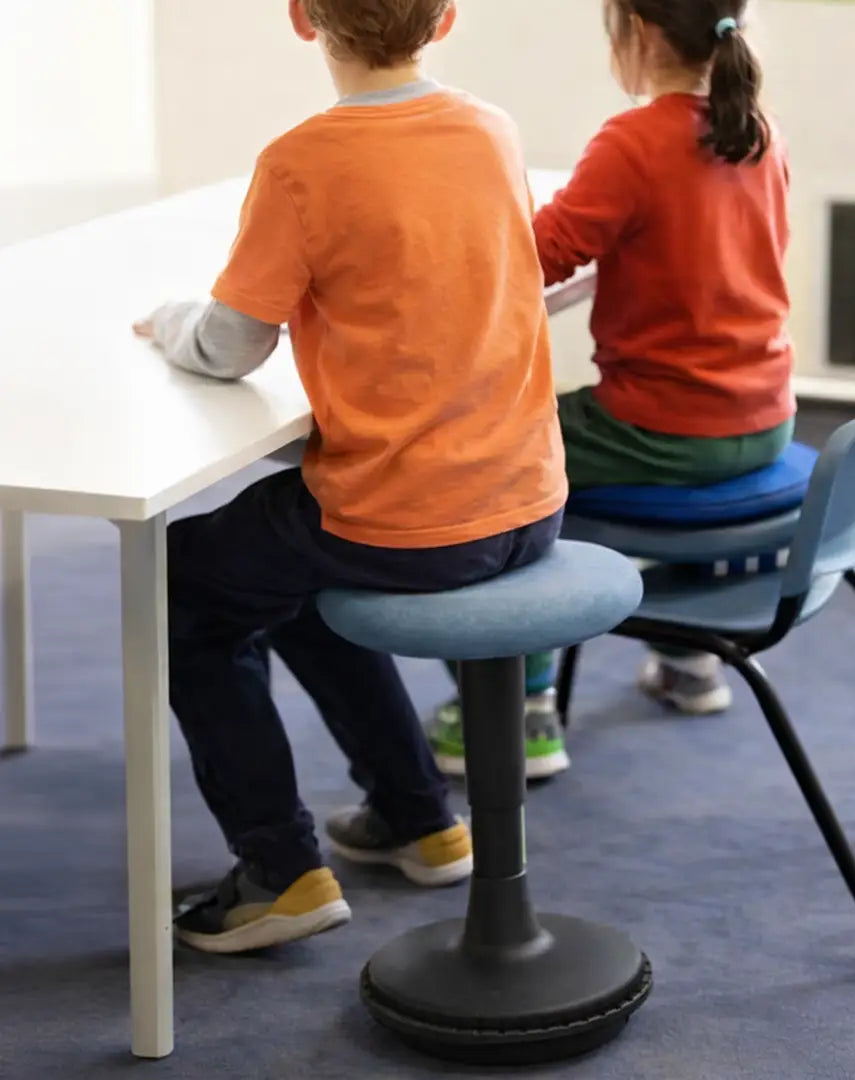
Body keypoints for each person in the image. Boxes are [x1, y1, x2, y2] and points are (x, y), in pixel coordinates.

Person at [134, 0, 567, 954]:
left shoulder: (302, 162)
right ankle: (419, 813)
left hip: (410, 519)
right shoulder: (492, 129)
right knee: (282, 571)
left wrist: (170, 320)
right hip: (529, 501)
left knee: (181, 584)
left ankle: (278, 871)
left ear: (301, 18)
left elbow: (231, 343)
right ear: (447, 16)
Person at [428, 0, 795, 780]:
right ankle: (688, 656)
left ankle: (523, 709)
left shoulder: (633, 140)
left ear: (638, 32)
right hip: (763, 417)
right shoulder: (757, 133)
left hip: (664, 428)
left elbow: (540, 257)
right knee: (567, 434)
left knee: (498, 461)